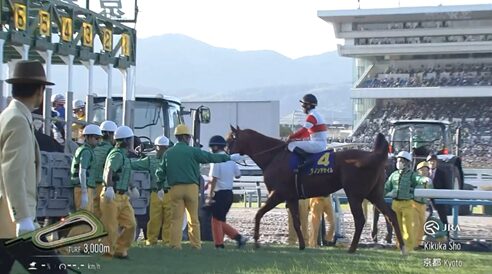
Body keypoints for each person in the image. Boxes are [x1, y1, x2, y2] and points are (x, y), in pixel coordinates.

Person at [0, 60, 67, 273]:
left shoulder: (9, 116)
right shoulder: (18, 120)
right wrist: (22, 217)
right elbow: (12, 171)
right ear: (40, 90)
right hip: (14, 222)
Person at [156, 124, 244, 250]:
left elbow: (160, 171)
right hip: (191, 188)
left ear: (177, 137)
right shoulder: (193, 151)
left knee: (176, 219)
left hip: (175, 188)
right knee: (193, 219)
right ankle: (196, 245)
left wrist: (159, 186)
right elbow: (210, 157)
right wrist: (228, 157)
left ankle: (175, 245)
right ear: (187, 137)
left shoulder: (168, 153)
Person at [100, 126, 140, 259]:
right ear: (126, 141)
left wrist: (132, 187)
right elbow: (109, 171)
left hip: (122, 196)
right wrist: (109, 187)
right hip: (112, 195)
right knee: (110, 227)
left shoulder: (124, 156)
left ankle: (120, 249)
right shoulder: (117, 154)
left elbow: (124, 174)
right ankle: (108, 253)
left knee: (131, 224)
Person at [206, 135, 247, 249]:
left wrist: (209, 196)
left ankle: (221, 244)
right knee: (220, 220)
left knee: (216, 220)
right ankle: (237, 238)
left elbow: (213, 179)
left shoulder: (215, 161)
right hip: (229, 193)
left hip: (219, 194)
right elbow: (238, 175)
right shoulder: (230, 159)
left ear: (215, 147)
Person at [384, 151, 431, 250]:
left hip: (407, 204)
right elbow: (387, 187)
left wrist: (424, 180)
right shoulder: (394, 175)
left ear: (406, 162)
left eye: (400, 160)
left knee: (408, 227)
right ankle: (400, 245)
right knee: (397, 227)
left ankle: (409, 247)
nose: (398, 162)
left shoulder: (411, 174)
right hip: (395, 204)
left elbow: (418, 179)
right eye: (398, 160)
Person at [130, 135, 172, 246]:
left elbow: (135, 164)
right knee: (156, 219)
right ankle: (155, 240)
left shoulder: (156, 160)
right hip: (159, 192)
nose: (162, 150)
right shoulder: (153, 160)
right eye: (161, 148)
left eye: (164, 148)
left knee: (166, 219)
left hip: (165, 192)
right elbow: (136, 164)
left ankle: (162, 241)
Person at [287, 94, 328, 164]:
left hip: (317, 145)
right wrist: (296, 138)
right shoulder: (318, 114)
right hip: (320, 144)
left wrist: (290, 137)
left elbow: (303, 131)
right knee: (294, 142)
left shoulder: (311, 116)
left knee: (291, 145)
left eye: (303, 105)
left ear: (308, 106)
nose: (302, 108)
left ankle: (306, 160)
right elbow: (306, 134)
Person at [70, 124, 102, 211]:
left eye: (99, 138)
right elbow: (82, 171)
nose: (98, 141)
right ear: (88, 137)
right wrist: (84, 192)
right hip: (83, 188)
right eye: (96, 138)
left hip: (85, 188)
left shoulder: (85, 150)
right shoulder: (86, 152)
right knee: (85, 217)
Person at [93, 120, 118, 219]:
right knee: (103, 215)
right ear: (109, 134)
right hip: (102, 185)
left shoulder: (93, 147)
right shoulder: (111, 150)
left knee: (94, 212)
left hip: (90, 185)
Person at [414, 161, 433, 249]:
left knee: (422, 224)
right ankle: (413, 242)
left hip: (424, 205)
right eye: (422, 170)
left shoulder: (429, 181)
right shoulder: (414, 180)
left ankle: (419, 243)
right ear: (418, 171)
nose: (424, 171)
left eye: (426, 170)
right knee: (415, 224)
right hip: (414, 204)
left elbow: (431, 193)